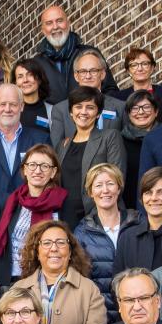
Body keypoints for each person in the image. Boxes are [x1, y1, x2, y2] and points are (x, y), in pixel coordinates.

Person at [12, 220, 106, 324]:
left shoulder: (89, 290)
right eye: (47, 243)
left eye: (61, 242)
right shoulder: (18, 289)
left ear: (70, 252)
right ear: (37, 252)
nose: (54, 248)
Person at [0, 83, 50, 252]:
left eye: (13, 104)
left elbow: (49, 178)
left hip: (34, 221)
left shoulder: (41, 139)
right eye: (2, 104)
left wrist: (27, 206)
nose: (7, 109)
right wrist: (11, 203)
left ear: (21, 106)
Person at [0, 144, 67, 289]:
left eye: (44, 166)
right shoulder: (13, 201)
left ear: (53, 172)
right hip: (11, 282)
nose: (38, 170)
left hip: (49, 282)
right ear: (24, 169)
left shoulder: (62, 202)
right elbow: (3, 241)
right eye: (32, 165)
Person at [74, 164, 140, 319]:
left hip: (137, 308)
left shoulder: (138, 223)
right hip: (102, 313)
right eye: (98, 185)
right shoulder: (82, 232)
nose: (105, 190)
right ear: (90, 192)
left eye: (110, 184)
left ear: (119, 188)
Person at [53, 86, 125, 227]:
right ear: (71, 113)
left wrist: (93, 216)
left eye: (90, 107)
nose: (83, 112)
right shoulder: (62, 145)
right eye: (78, 107)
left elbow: (118, 179)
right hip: (66, 218)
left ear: (98, 113)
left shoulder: (110, 137)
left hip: (100, 217)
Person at [33, 4, 118, 103]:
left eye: (59, 21)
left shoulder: (89, 54)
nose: (55, 27)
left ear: (68, 24)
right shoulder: (37, 64)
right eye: (49, 23)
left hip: (90, 114)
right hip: (54, 117)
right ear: (43, 30)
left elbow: (110, 90)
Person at [113, 167, 162, 275]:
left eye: (161, 192)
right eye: (148, 193)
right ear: (141, 198)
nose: (154, 198)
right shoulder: (127, 237)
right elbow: (116, 283)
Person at [48, 49, 127, 145]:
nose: (88, 76)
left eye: (93, 71)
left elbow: (125, 145)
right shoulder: (61, 109)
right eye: (83, 71)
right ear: (76, 76)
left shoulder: (120, 107)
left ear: (102, 74)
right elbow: (56, 148)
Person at [120, 89, 160, 208]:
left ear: (156, 111)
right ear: (128, 114)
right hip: (130, 204)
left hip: (161, 201)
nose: (141, 112)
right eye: (135, 108)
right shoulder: (120, 140)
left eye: (146, 107)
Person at [111, 48, 162, 122]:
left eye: (144, 64)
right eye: (134, 65)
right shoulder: (119, 98)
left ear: (152, 68)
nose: (140, 69)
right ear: (129, 71)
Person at [12, 57, 53, 131]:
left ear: (39, 79)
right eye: (20, 77)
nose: (25, 80)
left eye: (30, 75)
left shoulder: (51, 111)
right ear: (15, 83)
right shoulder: (10, 111)